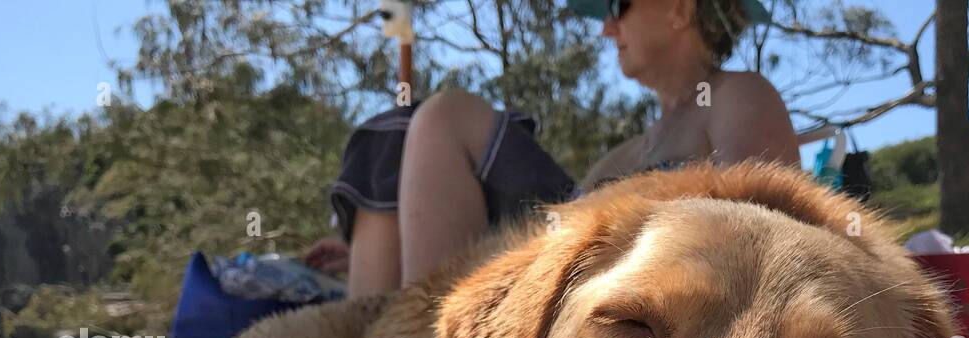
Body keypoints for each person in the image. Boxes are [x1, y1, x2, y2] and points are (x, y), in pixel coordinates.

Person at [303, 0, 799, 296]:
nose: (607, 27)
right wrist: (379, 253)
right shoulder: (627, 153)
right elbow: (563, 229)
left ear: (680, 8)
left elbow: (768, 236)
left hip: (625, 298)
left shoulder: (740, 94)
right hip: (567, 278)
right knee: (393, 133)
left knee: (447, 114)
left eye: (617, 6)